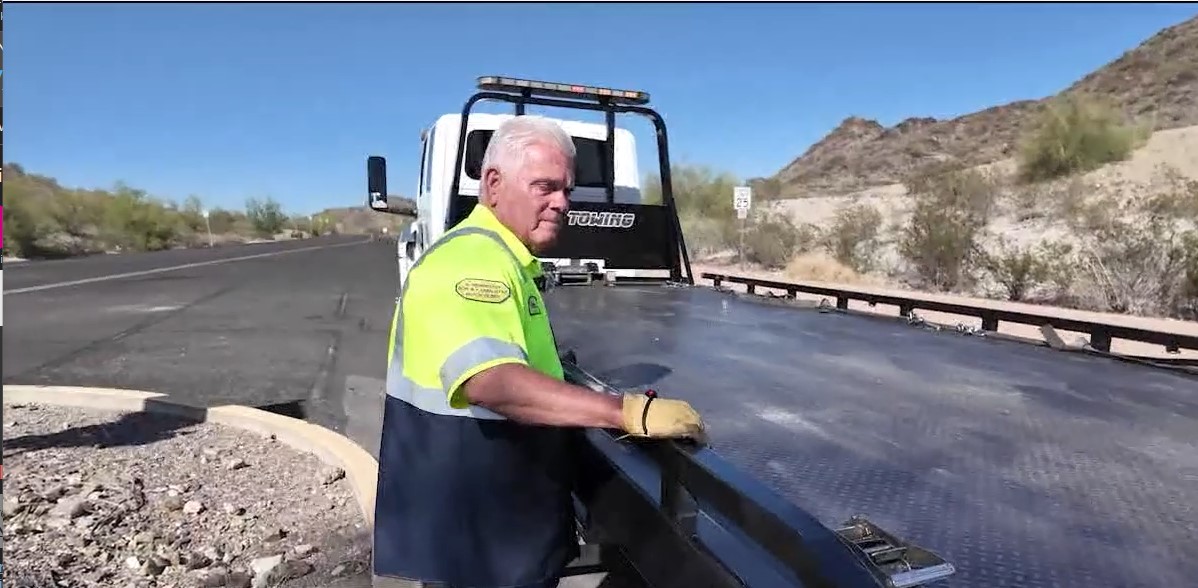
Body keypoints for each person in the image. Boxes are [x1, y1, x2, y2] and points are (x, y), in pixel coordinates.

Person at [372, 115, 707, 588]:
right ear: (493, 184)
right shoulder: (470, 261)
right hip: (481, 529)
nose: (561, 203)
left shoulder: (506, 258)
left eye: (567, 190)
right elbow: (490, 379)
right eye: (545, 187)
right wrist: (626, 411)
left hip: (499, 512)